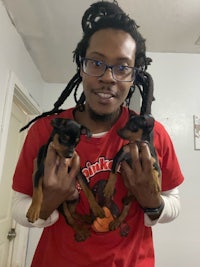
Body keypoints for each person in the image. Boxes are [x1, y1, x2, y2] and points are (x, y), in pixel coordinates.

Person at [12, 1, 184, 266]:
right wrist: (48, 202)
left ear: (134, 75)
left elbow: (174, 203)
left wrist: (153, 202)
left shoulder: (152, 134)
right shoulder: (46, 131)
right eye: (96, 63)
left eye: (122, 67)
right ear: (81, 66)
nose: (108, 77)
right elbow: (18, 209)